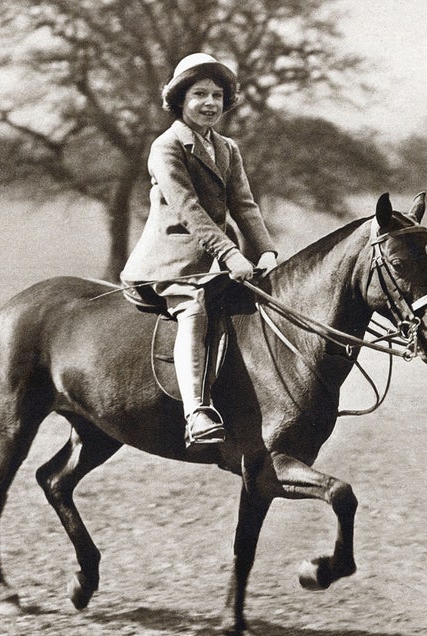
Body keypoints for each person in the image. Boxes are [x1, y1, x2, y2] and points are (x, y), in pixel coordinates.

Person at [121, 53, 278, 448]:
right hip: (169, 264)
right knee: (194, 309)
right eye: (199, 94)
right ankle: (196, 412)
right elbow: (188, 209)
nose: (210, 103)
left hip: (219, 259)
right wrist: (231, 255)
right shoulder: (166, 146)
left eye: (217, 95)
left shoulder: (227, 148)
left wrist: (265, 252)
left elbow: (244, 205)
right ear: (180, 100)